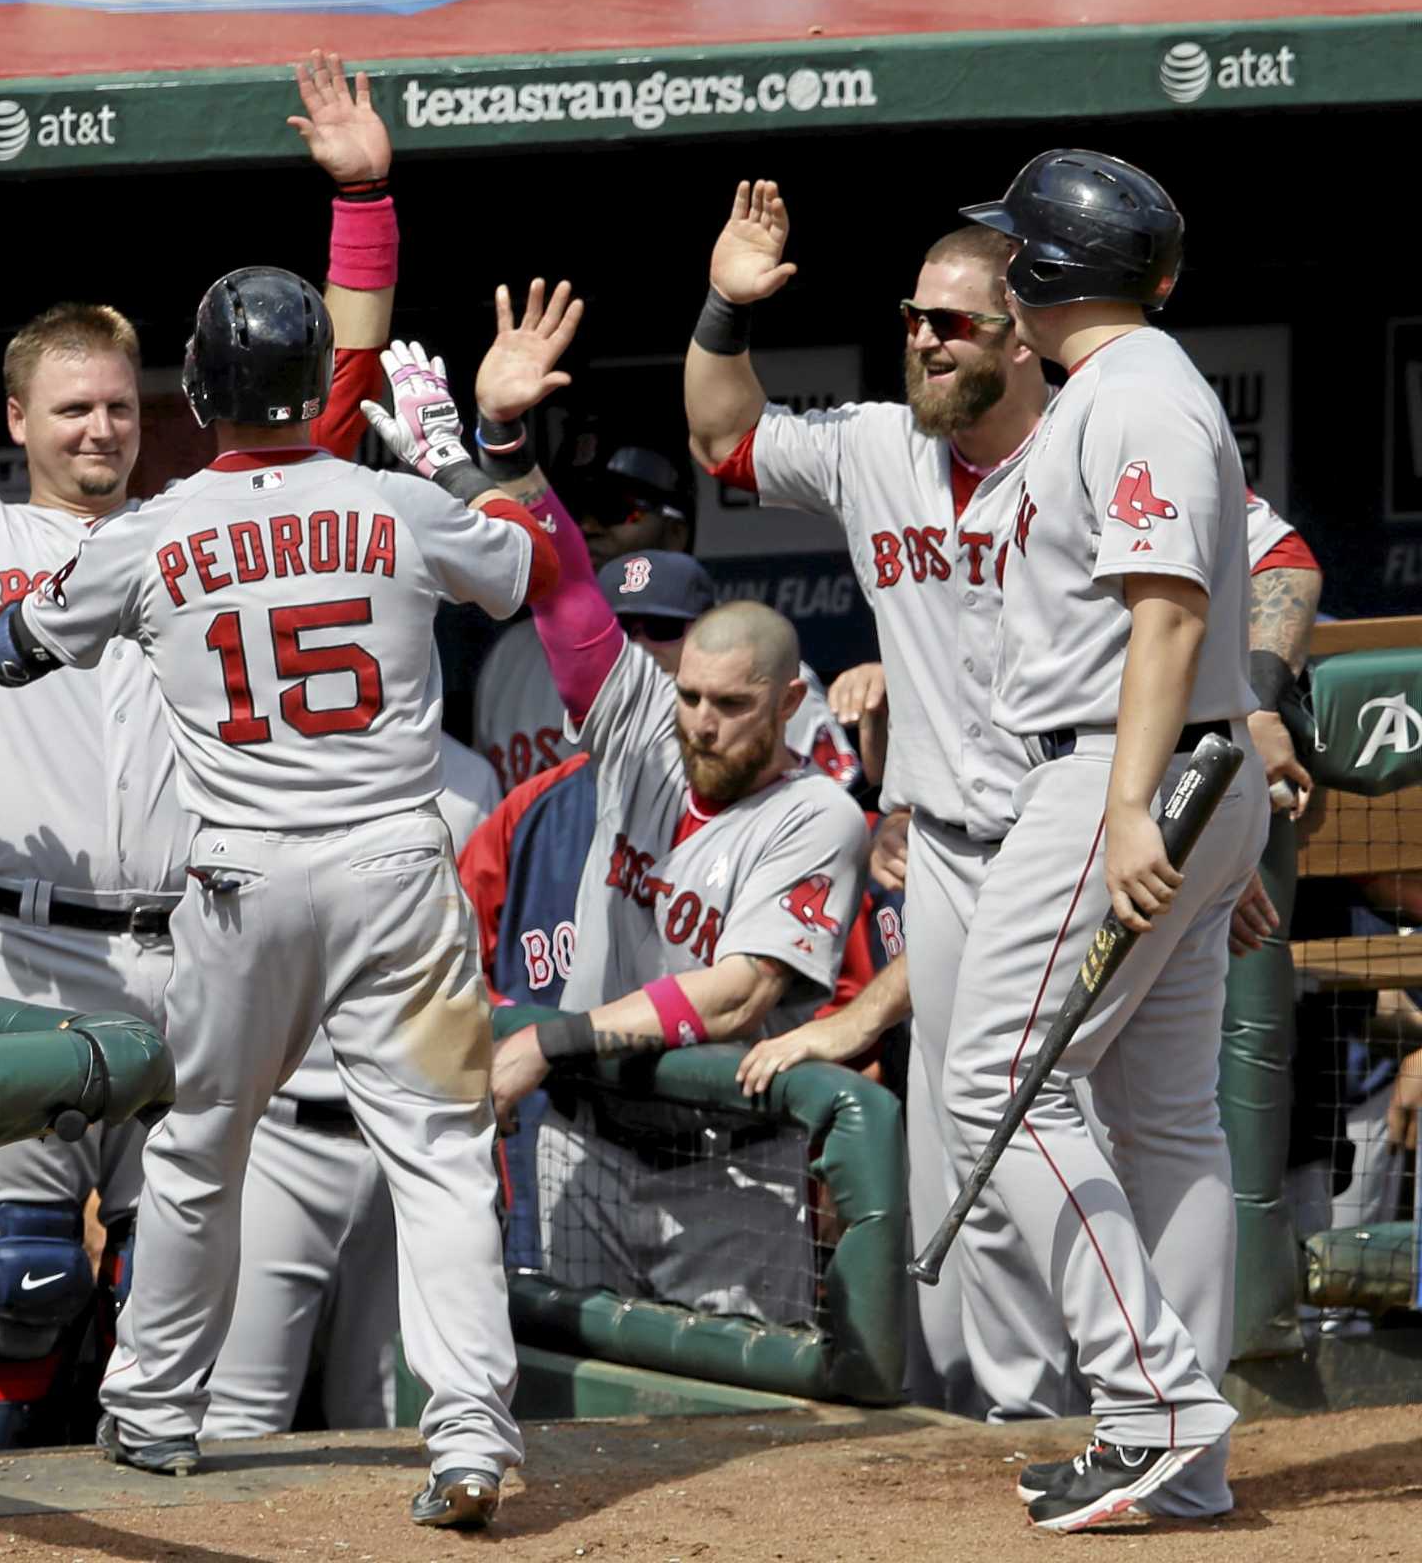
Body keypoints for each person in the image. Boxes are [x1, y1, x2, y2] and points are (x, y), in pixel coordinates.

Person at [0, 26, 403, 1450]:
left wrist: (361, 202)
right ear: (16, 418)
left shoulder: (205, 529)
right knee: (18, 1290)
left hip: (190, 955)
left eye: (124, 407)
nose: (101, 429)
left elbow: (345, 388)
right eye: (73, 407)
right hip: (17, 949)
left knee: (168, 1312)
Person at [0, 290, 558, 1526]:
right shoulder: (396, 500)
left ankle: (149, 1411)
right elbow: (527, 562)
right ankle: (465, 1435)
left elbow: (10, 651)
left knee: (198, 1151)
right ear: (320, 388)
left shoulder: (156, 530)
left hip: (241, 881)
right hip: (394, 868)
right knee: (443, 1160)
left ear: (194, 397)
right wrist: (450, 450)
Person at [685, 181, 1321, 1434]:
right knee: (989, 1153)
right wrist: (722, 307)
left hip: (1080, 808)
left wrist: (1229, 729)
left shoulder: (1099, 423)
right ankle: (1031, 1413)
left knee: (1069, 1112)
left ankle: (1149, 1394)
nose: (926, 337)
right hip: (965, 842)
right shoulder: (880, 448)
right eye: (913, 317)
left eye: (955, 322)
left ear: (1021, 330)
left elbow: (1264, 563)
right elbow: (724, 438)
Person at [936, 150, 1264, 1530]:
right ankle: (1179, 1454)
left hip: (1127, 775)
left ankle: (1155, 1403)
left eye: (1016, 253)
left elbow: (1169, 615)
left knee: (995, 1086)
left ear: (1045, 276)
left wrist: (1136, 812)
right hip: (1190, 770)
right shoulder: (1124, 391)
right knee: (1165, 1119)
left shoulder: (1135, 399)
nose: (1003, 269)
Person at [467, 280, 868, 1321]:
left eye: (729, 706)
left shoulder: (814, 815)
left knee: (739, 1434)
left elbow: (735, 997)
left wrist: (557, 1037)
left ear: (786, 704)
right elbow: (560, 588)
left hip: (725, 1174)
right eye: (687, 695)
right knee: (560, 1412)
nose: (697, 722)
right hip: (584, 1146)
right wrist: (505, 441)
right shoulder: (646, 726)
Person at [204, 738, 498, 1444]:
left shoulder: (466, 780)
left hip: (409, 1138)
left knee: (387, 1416)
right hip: (281, 1132)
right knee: (238, 1416)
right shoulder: (244, 758)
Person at [470, 439, 691, 794]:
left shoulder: (707, 655)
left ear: (675, 533)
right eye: (572, 508)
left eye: (614, 509)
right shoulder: (511, 654)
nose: (587, 526)